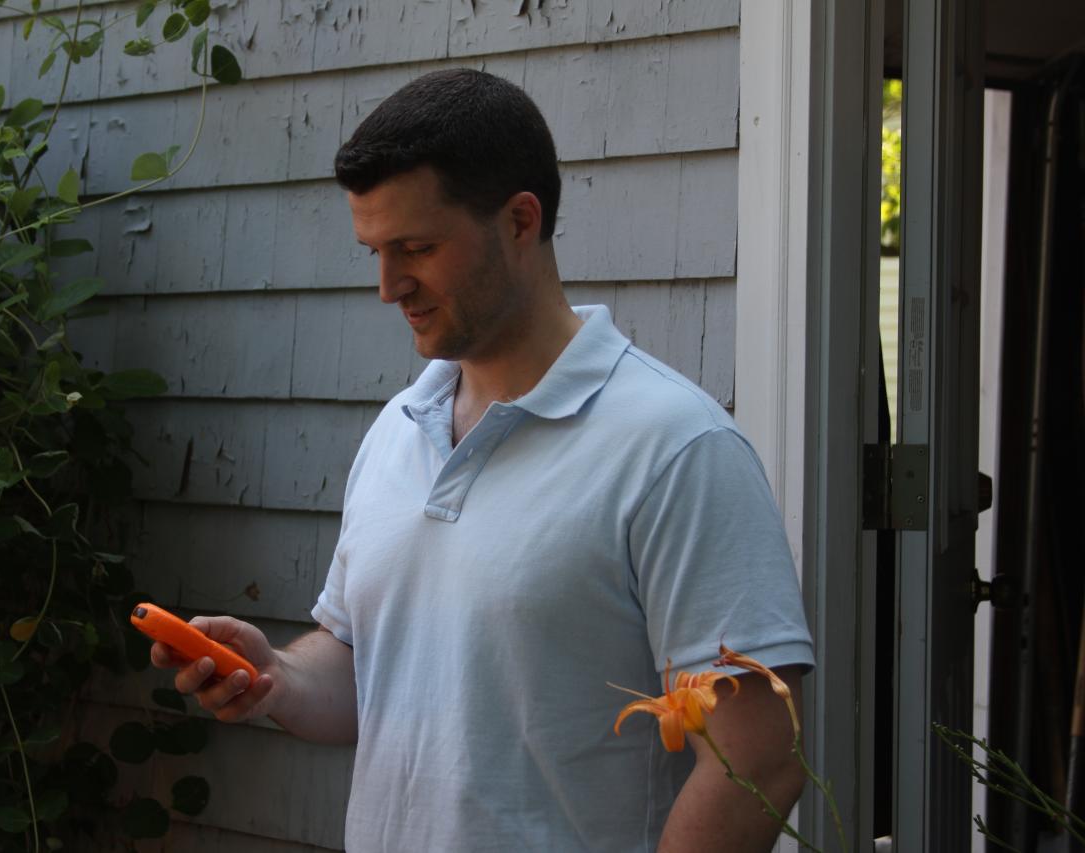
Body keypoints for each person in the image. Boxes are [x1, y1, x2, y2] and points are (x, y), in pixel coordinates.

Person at [151, 68, 815, 852]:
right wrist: (277, 678)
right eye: (375, 251)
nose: (388, 286)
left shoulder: (676, 449)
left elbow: (758, 760)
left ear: (520, 221)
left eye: (417, 248)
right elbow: (369, 668)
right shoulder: (398, 430)